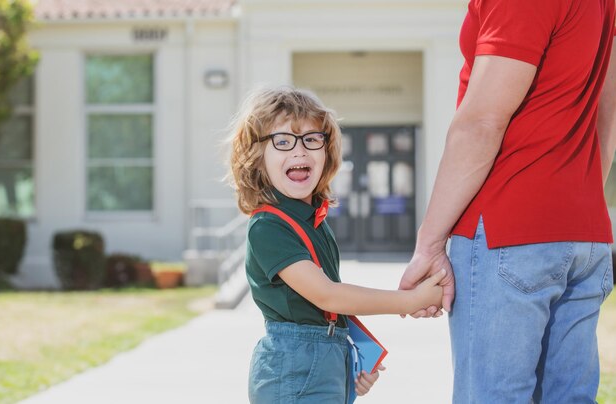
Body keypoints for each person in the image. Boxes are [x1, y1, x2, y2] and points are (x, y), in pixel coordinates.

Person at [399, 0, 616, 402]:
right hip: (585, 232)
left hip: (507, 229)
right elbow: (608, 113)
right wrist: (577, 201)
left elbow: (481, 123)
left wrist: (429, 242)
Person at [227, 85, 445, 403]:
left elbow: (323, 309)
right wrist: (409, 301)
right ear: (257, 158)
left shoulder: (313, 220)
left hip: (326, 358)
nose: (299, 151)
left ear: (327, 152)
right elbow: (328, 296)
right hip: (293, 369)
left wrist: (354, 358)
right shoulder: (269, 227)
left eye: (312, 139)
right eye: (283, 141)